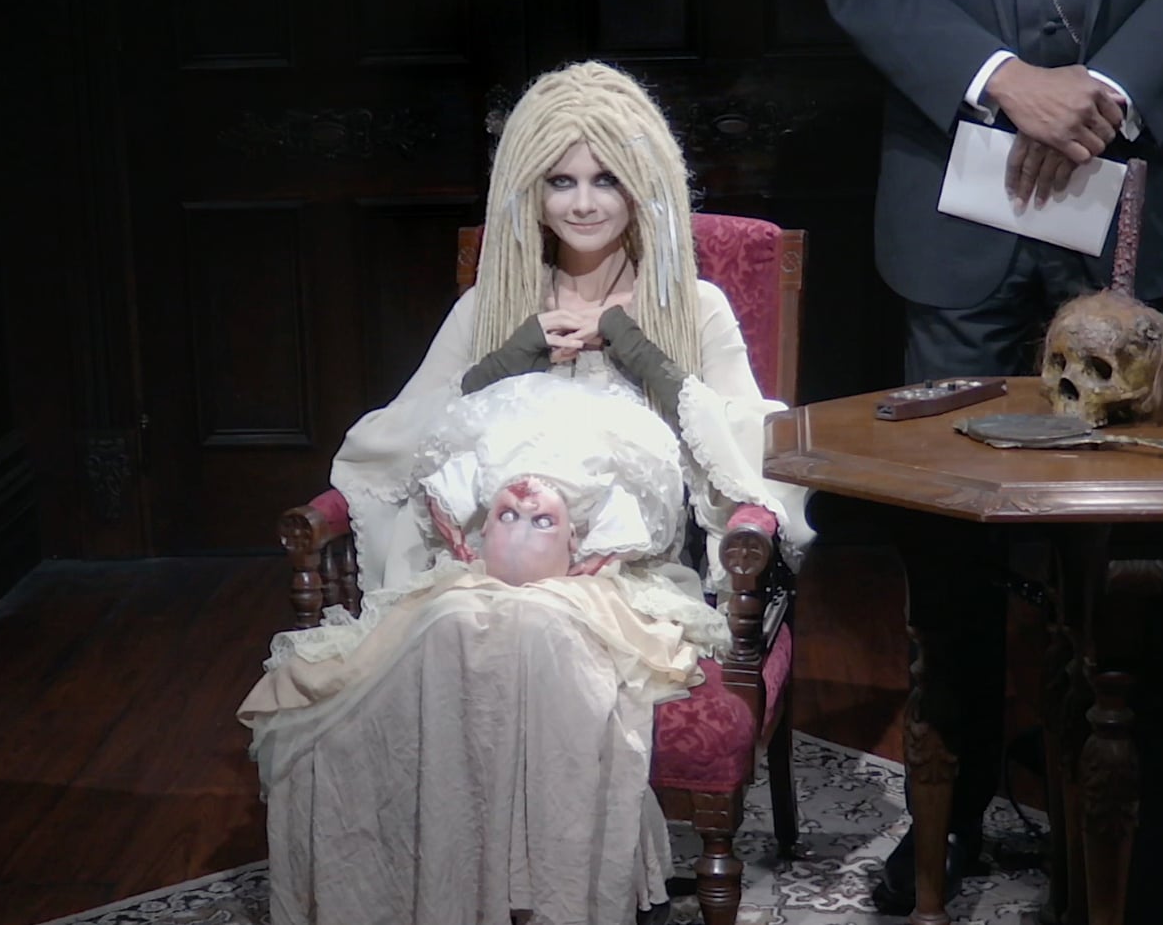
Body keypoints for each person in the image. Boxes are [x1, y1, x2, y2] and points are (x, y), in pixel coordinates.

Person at [239, 60, 815, 925]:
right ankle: (453, 895)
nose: (582, 203)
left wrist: (633, 348)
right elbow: (397, 441)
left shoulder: (690, 306)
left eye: (605, 179)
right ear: (530, 192)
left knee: (542, 631)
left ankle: (554, 901)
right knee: (456, 628)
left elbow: (752, 447)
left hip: (616, 578)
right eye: (560, 181)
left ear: (643, 184)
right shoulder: (489, 305)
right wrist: (509, 355)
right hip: (473, 566)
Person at [813, 0, 1163, 909]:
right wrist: (1002, 81)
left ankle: (1136, 825)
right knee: (948, 530)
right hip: (950, 199)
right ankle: (955, 804)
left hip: (1126, 190)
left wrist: (1104, 93)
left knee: (1136, 528)